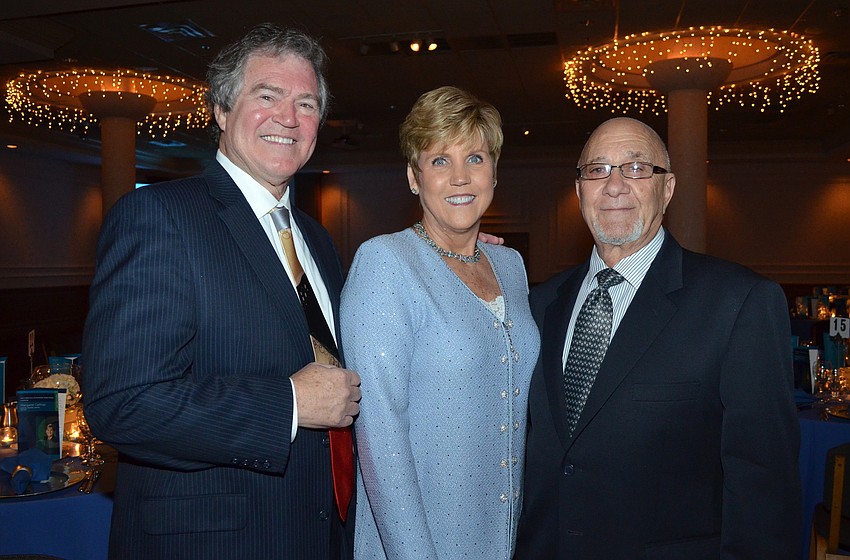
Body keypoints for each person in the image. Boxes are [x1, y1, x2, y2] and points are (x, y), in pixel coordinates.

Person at [82, 23, 360, 560]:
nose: (288, 117)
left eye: (306, 104)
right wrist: (287, 405)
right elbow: (122, 404)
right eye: (267, 96)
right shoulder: (158, 216)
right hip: (214, 541)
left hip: (321, 533)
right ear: (222, 111)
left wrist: (455, 250)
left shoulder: (317, 239)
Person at [514, 117, 801, 559]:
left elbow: (764, 485)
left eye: (636, 168)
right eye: (597, 170)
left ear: (667, 190)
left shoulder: (738, 304)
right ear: (579, 191)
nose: (614, 186)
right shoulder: (538, 304)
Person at [340, 86, 540, 560]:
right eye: (439, 161)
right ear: (413, 177)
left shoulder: (510, 265)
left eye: (474, 158)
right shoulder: (385, 263)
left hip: (506, 534)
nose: (459, 178)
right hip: (421, 539)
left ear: (494, 171)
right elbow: (379, 434)